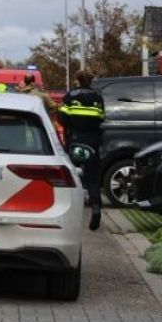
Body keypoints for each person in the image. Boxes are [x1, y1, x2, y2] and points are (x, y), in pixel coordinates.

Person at [58, 71, 106, 222]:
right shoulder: (97, 97)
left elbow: (62, 118)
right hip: (92, 141)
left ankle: (69, 211)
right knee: (92, 178)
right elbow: (101, 117)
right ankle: (96, 206)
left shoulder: (71, 96)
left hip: (75, 140)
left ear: (78, 80)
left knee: (70, 176)